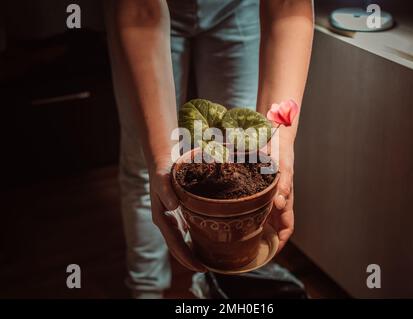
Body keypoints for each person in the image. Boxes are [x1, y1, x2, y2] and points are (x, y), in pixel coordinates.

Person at [104, 0, 313, 298]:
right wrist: (161, 159)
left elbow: (289, 5)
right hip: (142, 12)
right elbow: (140, 10)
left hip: (237, 6)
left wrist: (282, 155)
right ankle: (145, 290)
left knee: (246, 154)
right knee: (147, 167)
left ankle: (225, 287)